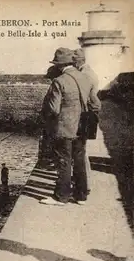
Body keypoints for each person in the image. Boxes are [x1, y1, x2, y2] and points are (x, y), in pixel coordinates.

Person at [40, 47, 92, 206]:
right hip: (82, 125)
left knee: (63, 161)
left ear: (59, 65)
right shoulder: (84, 78)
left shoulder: (59, 81)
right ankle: (81, 195)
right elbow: (93, 102)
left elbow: (54, 109)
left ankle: (61, 197)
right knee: (79, 160)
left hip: (64, 127)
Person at [73, 48, 102, 195]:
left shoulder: (84, 75)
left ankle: (86, 184)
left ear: (78, 61)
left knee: (81, 151)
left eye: (74, 61)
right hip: (90, 113)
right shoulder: (90, 72)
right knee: (82, 150)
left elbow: (89, 98)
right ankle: (86, 182)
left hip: (86, 115)